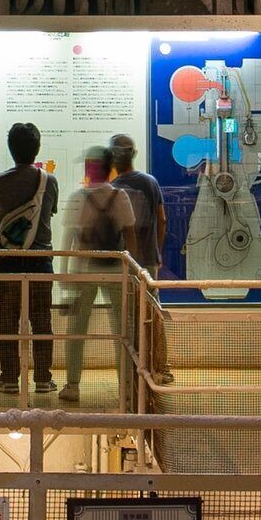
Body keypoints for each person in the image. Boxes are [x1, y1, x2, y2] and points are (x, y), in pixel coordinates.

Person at [55, 147, 140, 400]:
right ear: (109, 167)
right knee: (122, 332)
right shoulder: (120, 196)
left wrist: (64, 278)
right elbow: (130, 237)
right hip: (116, 272)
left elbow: (68, 241)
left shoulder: (78, 197)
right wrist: (132, 271)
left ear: (90, 168)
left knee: (76, 331)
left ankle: (72, 385)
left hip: (84, 271)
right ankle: (126, 387)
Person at [0, 122, 56, 395]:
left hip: (8, 259)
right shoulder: (49, 181)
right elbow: (51, 212)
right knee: (41, 319)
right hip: (41, 260)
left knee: (7, 320)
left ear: (11, 149)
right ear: (37, 148)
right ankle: (42, 379)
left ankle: (10, 379)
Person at [104, 132, 177, 386]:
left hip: (123, 265)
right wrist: (157, 252)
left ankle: (130, 373)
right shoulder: (150, 182)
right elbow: (163, 219)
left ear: (112, 159)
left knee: (125, 319)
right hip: (148, 262)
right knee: (153, 314)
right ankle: (161, 368)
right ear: (133, 155)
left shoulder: (112, 190)